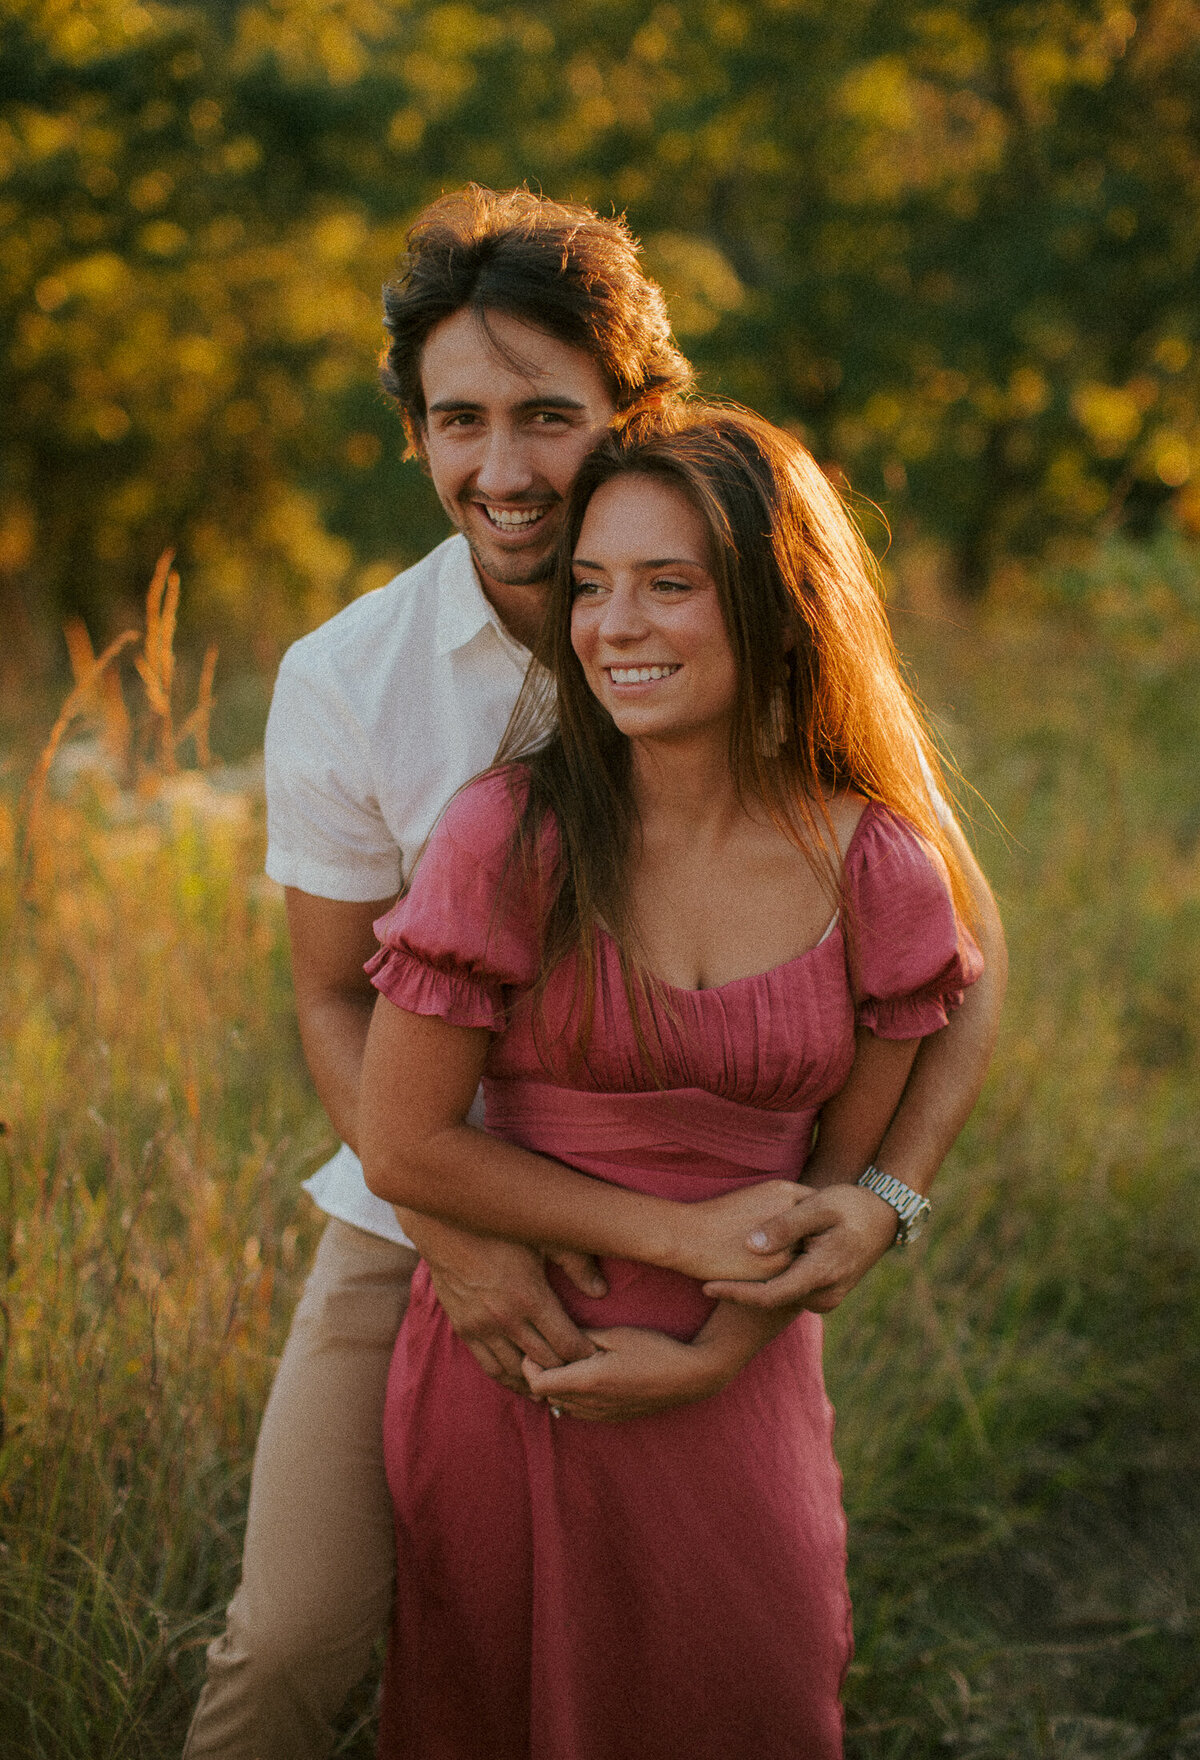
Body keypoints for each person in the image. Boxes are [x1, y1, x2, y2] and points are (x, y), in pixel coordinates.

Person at [185, 188, 1006, 1757]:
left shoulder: (744, 623)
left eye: (548, 416)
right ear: (416, 434)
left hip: (708, 1230)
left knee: (691, 1662)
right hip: (415, 1206)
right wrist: (456, 1232)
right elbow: (330, 998)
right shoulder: (349, 680)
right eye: (458, 421)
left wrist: (878, 1203)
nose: (501, 471)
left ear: (639, 411)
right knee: (292, 1645)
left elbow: (953, 954)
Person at [357, 403, 989, 1758]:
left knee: (747, 1697)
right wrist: (678, 1236)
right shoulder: (510, 835)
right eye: (590, 585)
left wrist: (718, 1351)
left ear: (776, 603)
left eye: (667, 584)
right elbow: (402, 1143)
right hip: (520, 1360)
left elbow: (836, 1187)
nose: (612, 626)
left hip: (742, 1377)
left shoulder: (873, 863)